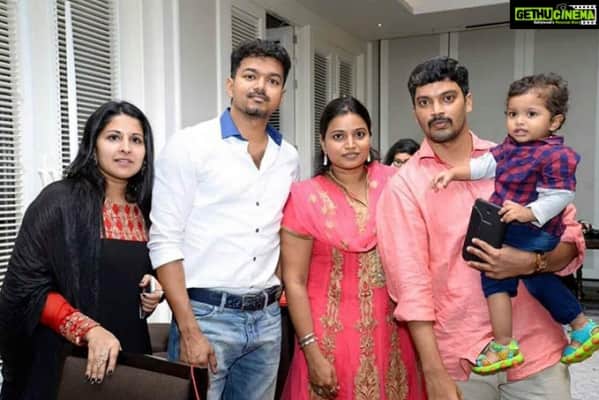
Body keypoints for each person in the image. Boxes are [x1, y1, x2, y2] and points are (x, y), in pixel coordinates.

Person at [376, 57, 585, 400]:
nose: (436, 111)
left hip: (535, 347)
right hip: (463, 357)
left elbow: (570, 240)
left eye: (448, 98)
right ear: (415, 112)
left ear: (468, 101)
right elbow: (410, 287)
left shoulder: (521, 155)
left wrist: (532, 263)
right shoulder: (404, 186)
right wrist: (433, 373)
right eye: (424, 102)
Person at [148, 38, 299, 400]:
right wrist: (189, 330)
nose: (260, 86)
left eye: (273, 80)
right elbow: (164, 241)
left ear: (281, 94)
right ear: (231, 84)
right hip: (205, 317)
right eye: (250, 76)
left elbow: (282, 233)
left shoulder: (288, 157)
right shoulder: (190, 145)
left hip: (267, 320)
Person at [432, 73, 598, 373]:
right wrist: (454, 173)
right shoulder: (511, 148)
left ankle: (503, 344)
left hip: (533, 229)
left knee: (493, 273)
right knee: (537, 280)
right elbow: (485, 165)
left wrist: (529, 212)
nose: (519, 122)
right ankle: (581, 325)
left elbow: (561, 194)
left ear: (555, 122)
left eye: (531, 114)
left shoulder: (555, 154)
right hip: (519, 227)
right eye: (512, 114)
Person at [0, 100, 163, 399]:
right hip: (64, 362)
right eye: (113, 137)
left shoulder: (149, 208)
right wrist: (88, 330)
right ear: (93, 145)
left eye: (136, 140)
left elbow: (140, 271)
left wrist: (153, 288)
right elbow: (25, 289)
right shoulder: (59, 202)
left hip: (130, 356)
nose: (126, 148)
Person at [281, 96, 425, 400]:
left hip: (393, 332)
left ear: (370, 137)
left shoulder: (395, 183)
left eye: (359, 134)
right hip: (327, 336)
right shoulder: (305, 198)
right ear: (323, 142)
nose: (350, 145)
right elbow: (294, 281)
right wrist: (310, 350)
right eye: (338, 136)